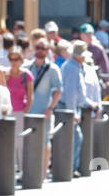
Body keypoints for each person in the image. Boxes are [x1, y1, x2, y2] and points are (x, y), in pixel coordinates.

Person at [60, 41, 101, 174]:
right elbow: (71, 94)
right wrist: (73, 113)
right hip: (69, 108)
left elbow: (78, 93)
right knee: (75, 138)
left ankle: (71, 167)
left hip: (72, 107)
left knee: (74, 138)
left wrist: (88, 103)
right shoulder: (72, 68)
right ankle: (71, 168)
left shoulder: (75, 66)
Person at [26, 38, 63, 178]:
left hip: (44, 112)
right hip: (29, 111)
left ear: (48, 51)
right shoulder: (27, 67)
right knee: (28, 141)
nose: (40, 50)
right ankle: (29, 171)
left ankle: (42, 173)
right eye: (38, 47)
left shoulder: (53, 69)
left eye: (43, 48)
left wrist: (50, 108)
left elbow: (59, 90)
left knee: (45, 141)